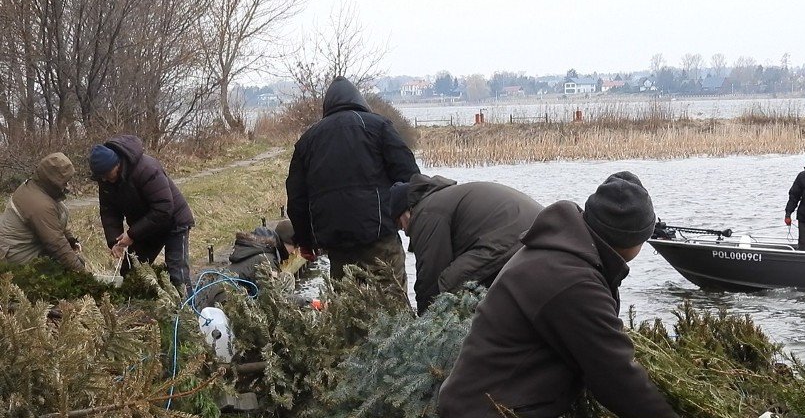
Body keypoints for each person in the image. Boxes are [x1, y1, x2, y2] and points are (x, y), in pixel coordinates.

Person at [437, 171, 688, 418]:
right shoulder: (572, 280)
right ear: (635, 240)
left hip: (482, 409)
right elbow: (614, 372)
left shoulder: (563, 251)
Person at [286, 76, 420, 286]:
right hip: (380, 237)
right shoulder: (380, 126)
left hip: (337, 245)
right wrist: (409, 219)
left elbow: (297, 200)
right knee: (393, 306)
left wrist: (305, 241)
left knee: (347, 309)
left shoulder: (307, 141)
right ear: (360, 100)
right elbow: (411, 176)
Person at [389, 174, 543, 315]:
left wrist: (424, 322)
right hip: (536, 226)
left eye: (399, 223)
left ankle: (465, 334)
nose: (402, 229)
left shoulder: (426, 212)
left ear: (406, 211)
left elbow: (430, 273)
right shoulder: (442, 198)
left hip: (510, 235)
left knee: (447, 282)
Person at [89, 135, 195, 291]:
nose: (104, 179)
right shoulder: (105, 180)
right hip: (146, 226)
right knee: (131, 271)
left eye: (106, 174)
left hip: (174, 222)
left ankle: (188, 311)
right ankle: (136, 308)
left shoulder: (146, 169)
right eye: (101, 177)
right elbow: (108, 211)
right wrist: (114, 241)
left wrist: (131, 234)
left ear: (117, 164)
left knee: (177, 275)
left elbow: (164, 208)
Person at [0, 152, 85, 271]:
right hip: (15, 255)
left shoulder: (38, 187)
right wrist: (85, 276)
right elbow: (57, 244)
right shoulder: (39, 204)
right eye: (64, 181)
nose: (67, 185)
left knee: (73, 262)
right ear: (53, 180)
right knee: (63, 270)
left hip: (26, 247)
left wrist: (70, 239)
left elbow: (53, 223)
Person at [193, 218, 301, 309]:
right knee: (287, 278)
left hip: (218, 299)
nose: (295, 251)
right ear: (286, 241)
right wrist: (308, 303)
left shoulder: (260, 250)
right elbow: (274, 298)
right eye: (295, 246)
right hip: (228, 305)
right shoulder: (267, 260)